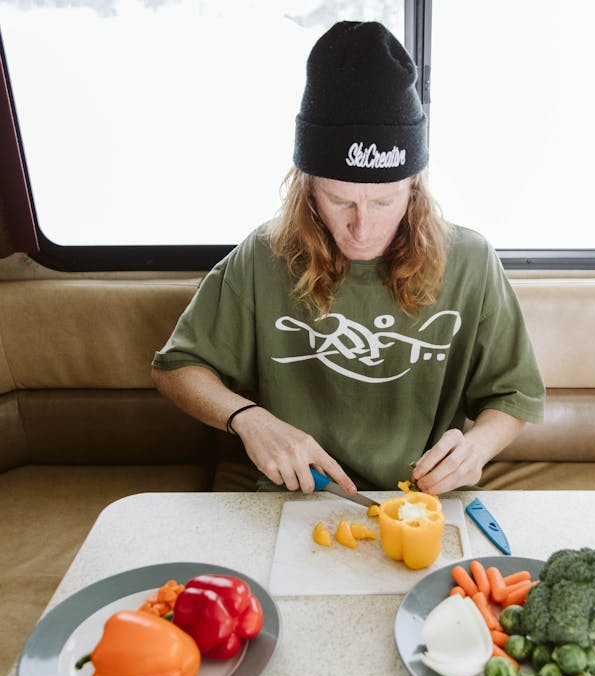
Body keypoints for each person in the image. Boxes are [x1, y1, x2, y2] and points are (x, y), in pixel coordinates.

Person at [151, 20, 545, 497]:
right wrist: (248, 419)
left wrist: (476, 449)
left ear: (414, 187)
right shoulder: (263, 256)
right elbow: (176, 368)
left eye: (383, 201)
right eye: (339, 200)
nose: (363, 228)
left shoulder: (471, 261)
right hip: (298, 495)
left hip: (424, 499)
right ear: (308, 187)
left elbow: (514, 394)